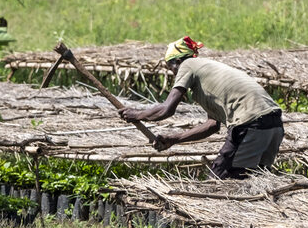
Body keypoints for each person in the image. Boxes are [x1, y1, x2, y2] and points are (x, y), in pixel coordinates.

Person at [118, 36, 284, 179]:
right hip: (274, 123)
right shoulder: (207, 72)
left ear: (177, 62)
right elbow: (212, 125)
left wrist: (137, 115)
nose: (174, 74)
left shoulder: (188, 64)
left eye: (171, 68)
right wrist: (174, 139)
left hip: (250, 123)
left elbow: (167, 109)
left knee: (219, 181)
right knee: (253, 179)